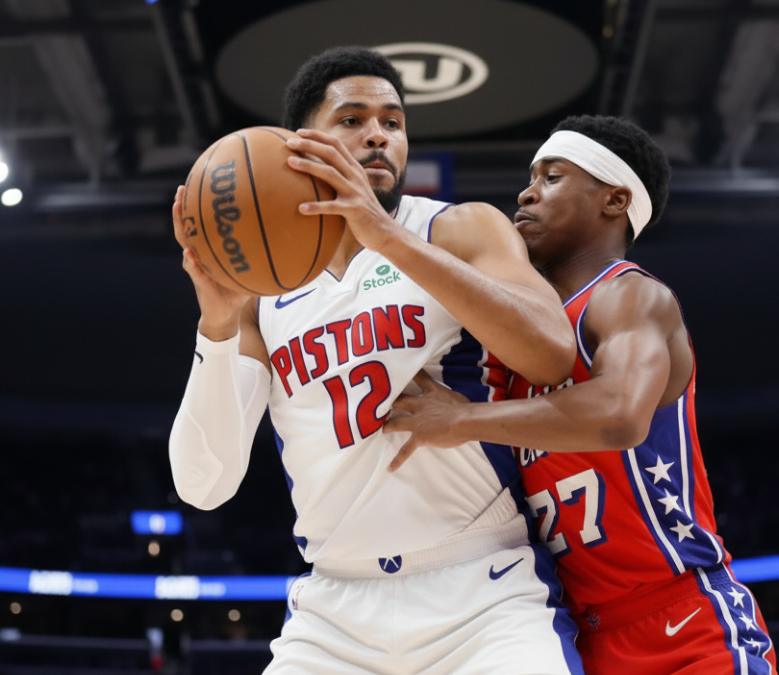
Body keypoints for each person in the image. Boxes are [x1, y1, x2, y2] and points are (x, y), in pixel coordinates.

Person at [167, 47, 583, 675]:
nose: (378, 136)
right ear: (300, 145)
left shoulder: (459, 229)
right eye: (353, 120)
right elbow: (203, 485)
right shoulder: (263, 295)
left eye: (393, 122)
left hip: (483, 591)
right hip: (335, 611)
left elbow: (553, 354)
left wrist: (386, 238)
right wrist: (219, 323)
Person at [384, 115, 778, 675]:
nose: (526, 191)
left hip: (680, 618)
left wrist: (465, 420)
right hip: (575, 632)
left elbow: (619, 416)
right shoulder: (514, 340)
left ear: (614, 200)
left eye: (551, 177)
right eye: (530, 176)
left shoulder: (631, 298)